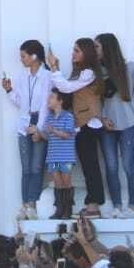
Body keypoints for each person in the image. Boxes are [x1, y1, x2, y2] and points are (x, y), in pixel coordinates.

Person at [48, 39, 106, 218]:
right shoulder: (82, 72)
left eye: (77, 51)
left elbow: (65, 87)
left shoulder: (88, 72)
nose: (73, 53)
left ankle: (94, 205)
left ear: (86, 53)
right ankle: (90, 204)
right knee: (88, 166)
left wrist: (55, 69)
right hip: (82, 125)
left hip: (89, 124)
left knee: (91, 166)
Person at [95, 33, 134, 219]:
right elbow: (95, 101)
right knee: (111, 166)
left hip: (128, 125)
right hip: (107, 127)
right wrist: (101, 118)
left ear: (107, 48)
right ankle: (116, 205)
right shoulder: (97, 72)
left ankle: (132, 206)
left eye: (98, 46)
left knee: (128, 165)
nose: (95, 50)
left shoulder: (130, 68)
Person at [4, 39, 52, 220]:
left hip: (39, 123)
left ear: (34, 56)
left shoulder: (47, 76)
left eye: (24, 56)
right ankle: (25, 204)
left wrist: (39, 129)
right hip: (24, 123)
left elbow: (47, 105)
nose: (21, 60)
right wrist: (9, 91)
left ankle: (33, 203)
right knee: (26, 167)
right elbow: (21, 102)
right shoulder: (23, 76)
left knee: (37, 166)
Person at [44, 87, 78, 219]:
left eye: (52, 97)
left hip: (65, 156)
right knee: (57, 182)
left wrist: (54, 131)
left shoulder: (68, 116)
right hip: (53, 156)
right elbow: (47, 135)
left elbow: (68, 135)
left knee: (66, 180)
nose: (49, 99)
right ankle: (59, 209)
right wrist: (38, 133)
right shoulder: (49, 118)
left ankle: (68, 209)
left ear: (60, 101)